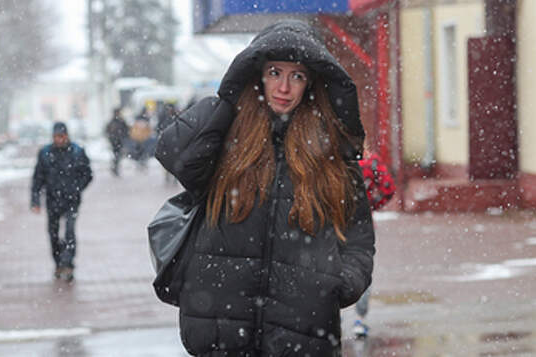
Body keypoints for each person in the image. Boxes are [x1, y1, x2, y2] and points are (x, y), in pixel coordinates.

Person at [155, 19, 375, 356]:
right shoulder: (226, 141)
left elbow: (357, 237)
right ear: (256, 74)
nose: (284, 87)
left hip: (302, 336)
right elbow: (177, 155)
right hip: (220, 331)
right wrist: (227, 101)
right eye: (274, 72)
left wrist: (340, 284)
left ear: (311, 84)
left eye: (296, 76)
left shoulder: (331, 155)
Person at [31, 122, 93, 282]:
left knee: (70, 231)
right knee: (53, 233)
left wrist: (77, 188)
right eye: (56, 137)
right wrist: (35, 200)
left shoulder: (77, 152)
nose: (59, 140)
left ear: (67, 136)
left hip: (72, 200)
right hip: (52, 200)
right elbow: (38, 178)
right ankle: (58, 262)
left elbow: (88, 174)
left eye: (61, 136)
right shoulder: (45, 153)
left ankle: (68, 263)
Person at [353, 150, 396, 338]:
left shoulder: (333, 160)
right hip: (363, 225)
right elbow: (388, 188)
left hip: (335, 225)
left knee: (331, 270)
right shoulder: (371, 162)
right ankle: (359, 320)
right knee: (362, 271)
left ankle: (331, 320)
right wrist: (370, 205)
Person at [105, 108, 129, 176]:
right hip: (115, 141)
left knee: (117, 155)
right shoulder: (115, 121)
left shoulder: (118, 121)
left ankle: (115, 167)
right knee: (117, 155)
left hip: (118, 141)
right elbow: (107, 131)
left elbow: (126, 130)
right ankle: (115, 167)